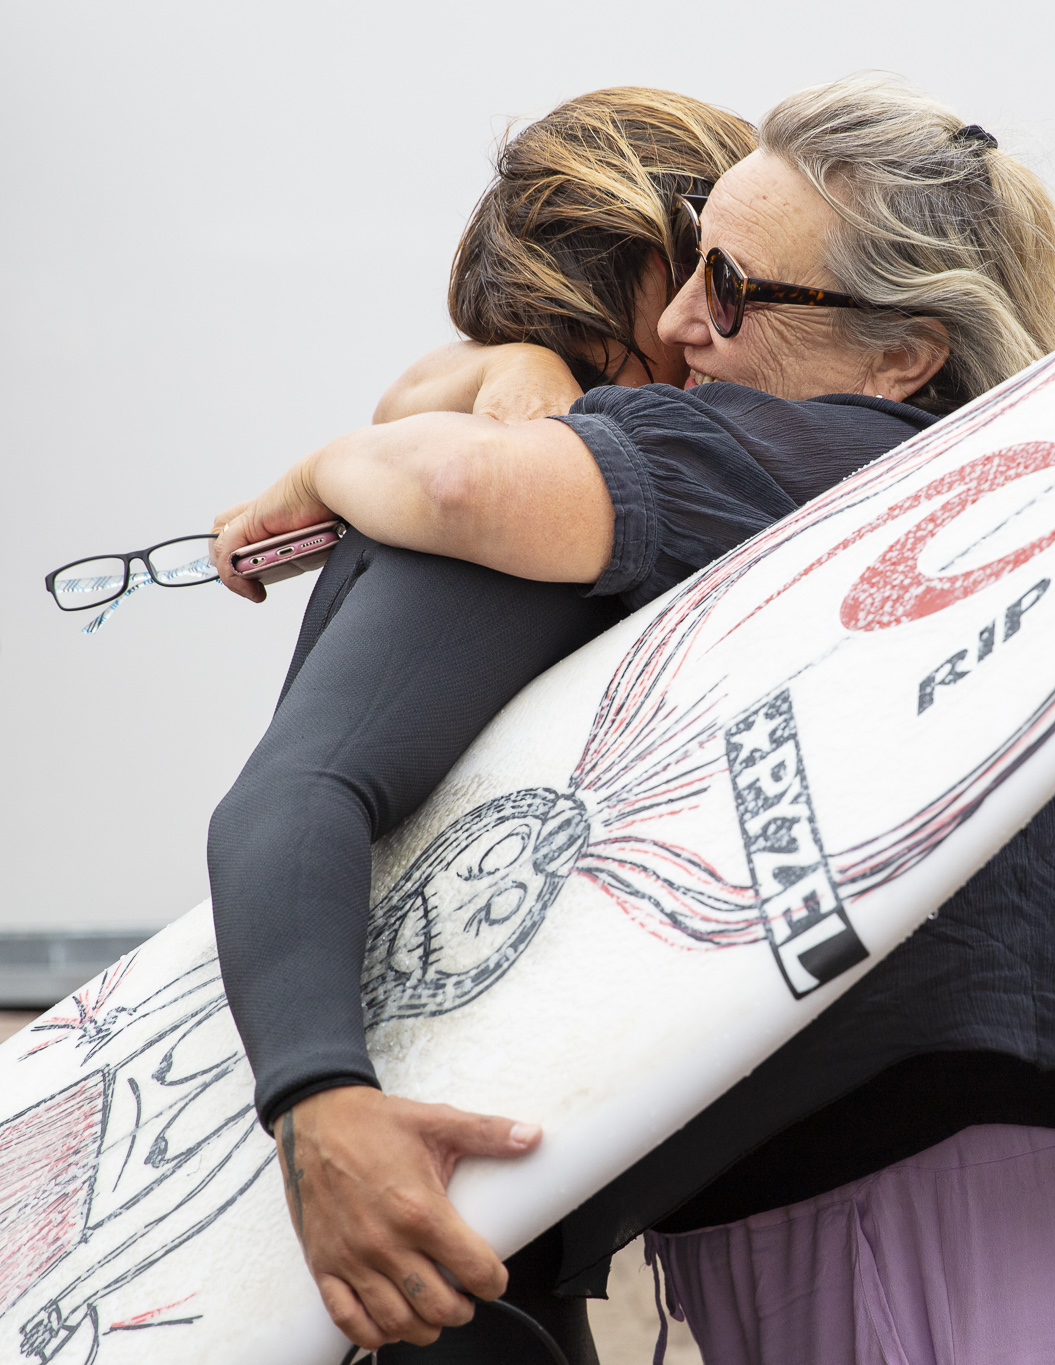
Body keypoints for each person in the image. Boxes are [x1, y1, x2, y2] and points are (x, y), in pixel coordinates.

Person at [214, 75, 1055, 1365]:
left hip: (896, 1191)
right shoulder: (998, 490)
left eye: (735, 287)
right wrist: (510, 370)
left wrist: (331, 465)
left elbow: (415, 522)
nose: (685, 324)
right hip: (970, 1171)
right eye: (691, 271)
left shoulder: (762, 461)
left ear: (901, 354)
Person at [207, 85, 756, 1362]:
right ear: (639, 268)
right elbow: (290, 798)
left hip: (466, 1226)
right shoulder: (518, 513)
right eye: (708, 275)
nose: (712, 320)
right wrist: (323, 1106)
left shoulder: (523, 448)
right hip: (411, 1225)